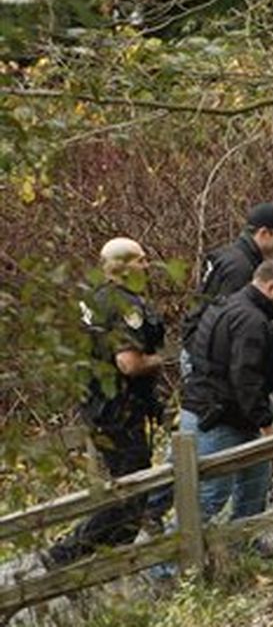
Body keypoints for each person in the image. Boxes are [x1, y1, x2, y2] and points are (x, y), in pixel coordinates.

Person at [145, 201, 273, 526]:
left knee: (242, 471)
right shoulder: (243, 276)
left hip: (212, 374)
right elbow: (242, 365)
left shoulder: (228, 257)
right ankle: (158, 529)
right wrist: (264, 420)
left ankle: (239, 536)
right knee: (208, 480)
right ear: (264, 233)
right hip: (217, 386)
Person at [42, 238, 165, 569]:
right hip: (119, 409)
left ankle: (109, 562)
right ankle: (66, 553)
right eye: (141, 260)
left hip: (96, 404)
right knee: (131, 490)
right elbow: (129, 363)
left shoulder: (92, 299)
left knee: (132, 492)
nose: (147, 266)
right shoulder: (124, 306)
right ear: (124, 267)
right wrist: (158, 360)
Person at [178, 258, 273, 526]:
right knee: (211, 496)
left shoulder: (229, 304)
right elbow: (245, 377)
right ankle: (169, 565)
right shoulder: (251, 321)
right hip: (218, 416)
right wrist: (266, 423)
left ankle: (242, 545)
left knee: (254, 485)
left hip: (222, 410)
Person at [178, 202, 273, 379]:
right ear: (264, 233)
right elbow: (231, 323)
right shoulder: (240, 269)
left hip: (201, 348)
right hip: (207, 359)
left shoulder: (230, 255)